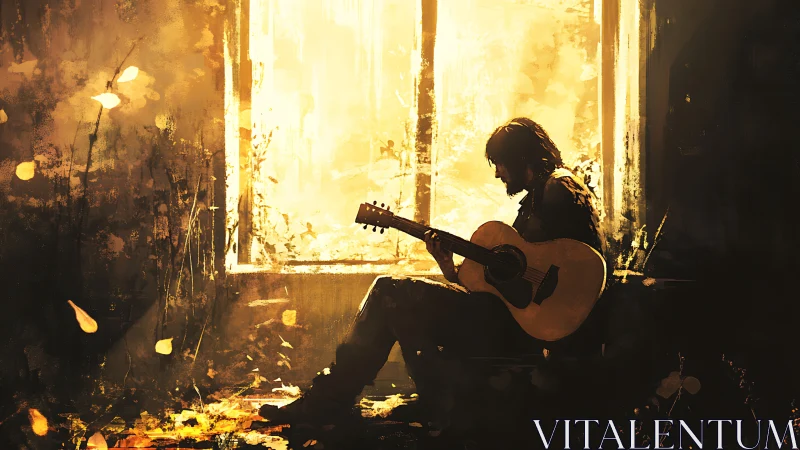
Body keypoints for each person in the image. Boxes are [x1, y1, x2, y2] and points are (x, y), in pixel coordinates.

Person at [259, 117, 608, 431]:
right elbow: (508, 283)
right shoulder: (552, 190)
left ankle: (328, 402)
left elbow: (573, 265)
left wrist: (532, 285)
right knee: (399, 299)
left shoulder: (557, 189)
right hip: (517, 320)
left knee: (388, 292)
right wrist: (449, 267)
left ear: (520, 158)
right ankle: (419, 400)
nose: (499, 173)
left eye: (500, 163)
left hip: (528, 330)